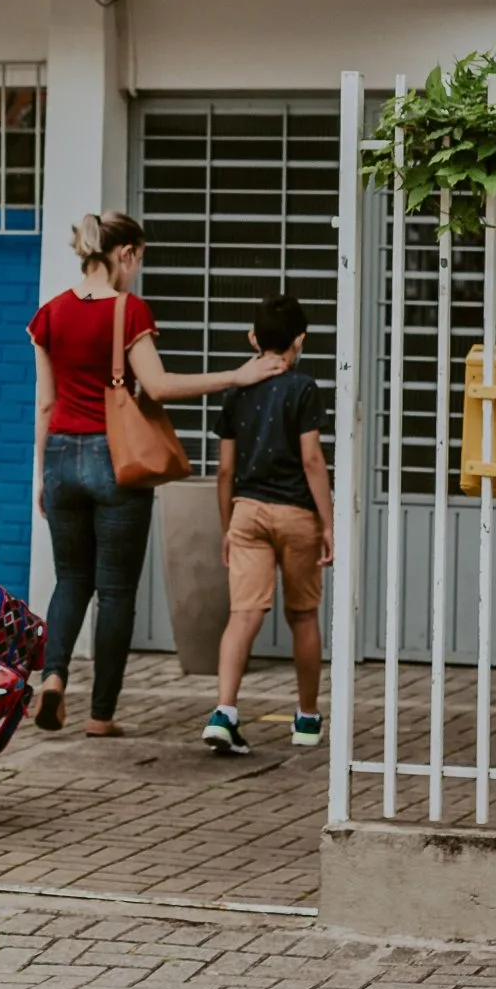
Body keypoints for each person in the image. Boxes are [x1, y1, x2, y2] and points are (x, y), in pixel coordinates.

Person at [26, 213, 282, 736]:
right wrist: (238, 374)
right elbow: (158, 387)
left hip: (58, 458)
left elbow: (46, 404)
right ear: (126, 254)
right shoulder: (129, 309)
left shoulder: (49, 313)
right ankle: (101, 715)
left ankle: (52, 678)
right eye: (139, 258)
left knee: (71, 579)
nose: (138, 270)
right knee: (116, 589)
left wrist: (39, 476)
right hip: (116, 459)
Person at [204, 295, 333, 755]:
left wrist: (227, 527)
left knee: (243, 615)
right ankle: (306, 717)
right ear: (301, 340)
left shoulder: (237, 388)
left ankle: (225, 711)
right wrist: (328, 521)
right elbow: (312, 459)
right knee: (302, 615)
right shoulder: (304, 388)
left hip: (247, 512)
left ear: (253, 339)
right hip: (296, 513)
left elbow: (224, 470)